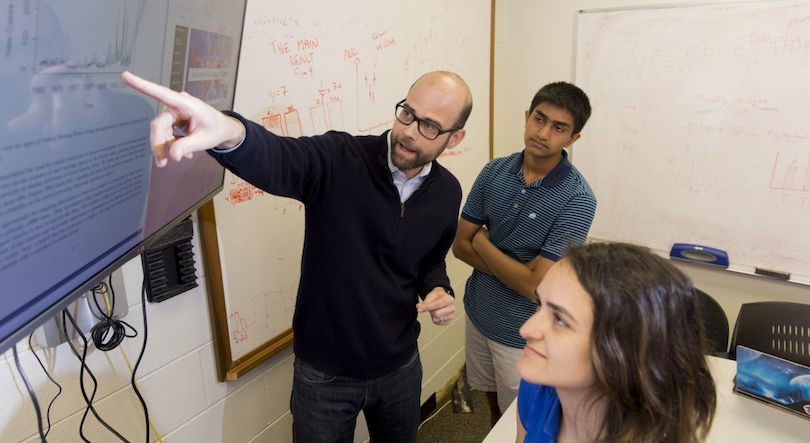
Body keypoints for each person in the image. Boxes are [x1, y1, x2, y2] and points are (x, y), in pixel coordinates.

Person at [121, 70, 473, 443]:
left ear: (455, 138)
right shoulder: (340, 158)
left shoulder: (447, 192)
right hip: (324, 374)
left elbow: (431, 259)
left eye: (430, 127)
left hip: (400, 365)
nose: (410, 131)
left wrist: (437, 288)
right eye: (407, 113)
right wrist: (227, 131)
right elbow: (280, 159)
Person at [452, 82, 596, 424]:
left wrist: (484, 243)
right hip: (478, 311)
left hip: (524, 333)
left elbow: (535, 288)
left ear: (573, 138)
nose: (543, 133)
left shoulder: (578, 199)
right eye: (539, 120)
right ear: (527, 117)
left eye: (558, 128)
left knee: (523, 420)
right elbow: (459, 246)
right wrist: (521, 271)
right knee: (492, 406)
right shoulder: (494, 171)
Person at [516, 242, 717, 443]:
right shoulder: (537, 388)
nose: (525, 329)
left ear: (623, 350)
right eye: (539, 305)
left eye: (560, 319)